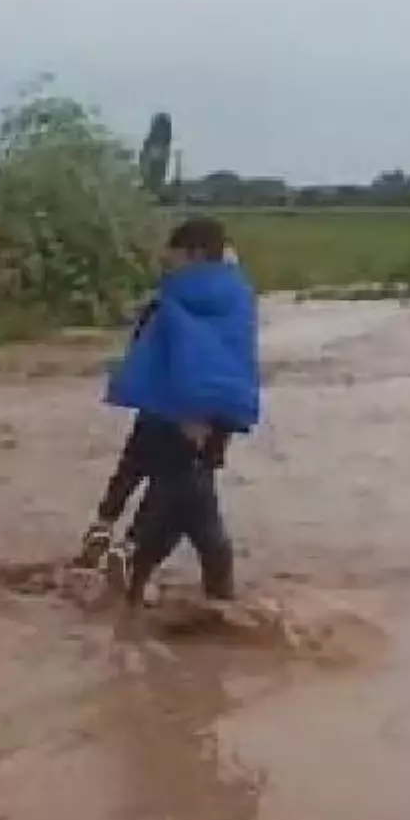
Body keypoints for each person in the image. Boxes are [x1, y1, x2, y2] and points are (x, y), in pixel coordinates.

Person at [101, 215, 259, 607]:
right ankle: (219, 610)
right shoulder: (236, 296)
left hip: (171, 413)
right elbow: (234, 352)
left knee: (190, 511)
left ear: (194, 254)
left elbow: (149, 352)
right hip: (208, 419)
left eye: (173, 260)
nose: (167, 268)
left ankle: (131, 564)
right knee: (201, 520)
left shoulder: (169, 301)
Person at [76, 239, 241, 582]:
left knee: (146, 477)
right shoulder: (210, 312)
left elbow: (140, 357)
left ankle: (110, 534)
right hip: (192, 426)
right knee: (198, 523)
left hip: (157, 416)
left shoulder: (164, 305)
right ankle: (131, 552)